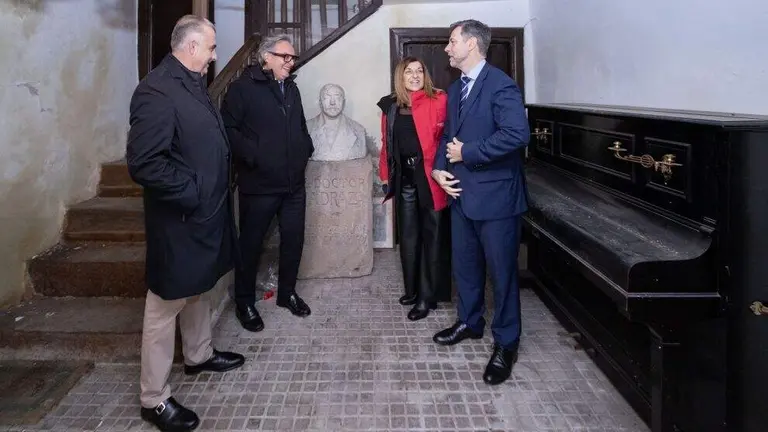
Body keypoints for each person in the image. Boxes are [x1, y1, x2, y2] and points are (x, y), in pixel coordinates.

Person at [126, 15, 245, 431]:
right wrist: (193, 191)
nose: (215, 57)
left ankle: (198, 355)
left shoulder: (189, 82)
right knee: (164, 303)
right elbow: (145, 162)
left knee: (200, 285)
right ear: (192, 46)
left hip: (204, 214)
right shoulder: (156, 90)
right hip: (180, 217)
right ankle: (153, 398)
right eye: (211, 48)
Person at [431, 19, 530, 385]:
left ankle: (506, 342)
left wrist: (467, 152)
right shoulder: (457, 88)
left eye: (452, 41)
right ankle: (470, 322)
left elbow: (517, 135)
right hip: (461, 194)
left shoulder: (501, 85)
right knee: (466, 267)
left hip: (498, 200)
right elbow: (449, 139)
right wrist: (440, 169)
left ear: (472, 44)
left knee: (502, 276)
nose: (447, 47)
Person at [221, 34, 314, 332]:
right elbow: (228, 129)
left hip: (293, 185)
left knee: (293, 240)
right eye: (285, 56)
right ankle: (244, 302)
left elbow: (299, 126)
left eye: (293, 57)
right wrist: (254, 156)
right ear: (266, 57)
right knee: (250, 245)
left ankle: (287, 293)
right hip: (259, 184)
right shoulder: (241, 89)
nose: (291, 61)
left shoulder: (292, 89)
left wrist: (305, 148)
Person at [376, 56, 452, 321]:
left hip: (430, 177)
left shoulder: (439, 99)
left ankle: (427, 297)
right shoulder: (391, 106)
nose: (415, 75)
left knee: (432, 237)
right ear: (401, 76)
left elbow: (447, 137)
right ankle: (412, 289)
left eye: (420, 70)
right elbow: (386, 144)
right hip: (404, 178)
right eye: (409, 71)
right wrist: (385, 175)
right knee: (408, 236)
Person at [307, 83, 368, 161]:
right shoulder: (306, 128)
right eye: (327, 97)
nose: (332, 102)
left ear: (344, 102)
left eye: (337, 97)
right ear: (320, 102)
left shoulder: (358, 130)